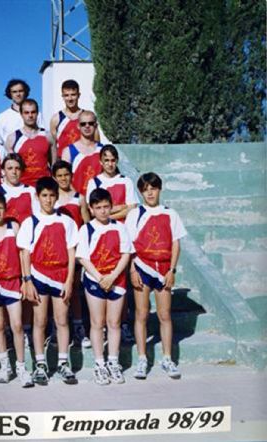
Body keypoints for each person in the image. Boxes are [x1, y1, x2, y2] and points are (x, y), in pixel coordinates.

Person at [18, 177, 79, 386]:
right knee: (40, 321)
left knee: (62, 320)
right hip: (38, 277)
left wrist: (70, 280)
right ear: (37, 197)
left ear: (57, 197)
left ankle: (63, 362)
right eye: (44, 195)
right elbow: (25, 254)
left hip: (61, 277)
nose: (48, 200)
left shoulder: (67, 222)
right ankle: (40, 364)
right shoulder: (30, 222)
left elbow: (71, 253)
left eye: (52, 195)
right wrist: (27, 280)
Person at [126, 172, 187, 380]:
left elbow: (176, 243)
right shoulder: (135, 214)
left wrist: (172, 270)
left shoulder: (171, 213)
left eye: (153, 188)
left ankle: (167, 358)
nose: (149, 193)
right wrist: (133, 270)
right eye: (145, 189)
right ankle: (142, 358)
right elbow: (129, 244)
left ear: (159, 189)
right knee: (141, 314)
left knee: (164, 315)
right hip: (142, 267)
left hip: (163, 270)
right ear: (141, 192)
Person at [76, 188, 133, 386]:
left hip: (116, 280)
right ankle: (99, 364)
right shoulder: (86, 229)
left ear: (111, 207)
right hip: (95, 280)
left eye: (106, 207)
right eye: (98, 207)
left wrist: (113, 276)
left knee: (114, 322)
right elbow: (83, 258)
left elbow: (126, 253)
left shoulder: (119, 227)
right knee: (97, 323)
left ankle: (113, 362)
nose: (102, 211)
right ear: (91, 209)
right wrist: (101, 278)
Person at [0, 192, 34, 388]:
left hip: (13, 281)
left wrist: (25, 279)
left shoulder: (13, 227)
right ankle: (4, 366)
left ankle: (21, 367)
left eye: (0, 208)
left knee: (16, 325)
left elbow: (23, 253)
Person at [52, 160, 91, 349]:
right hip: (55, 252)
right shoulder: (51, 199)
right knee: (55, 289)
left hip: (74, 250)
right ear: (54, 177)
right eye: (59, 175)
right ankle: (56, 327)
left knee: (74, 289)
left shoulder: (79, 197)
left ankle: (78, 326)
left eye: (66, 175)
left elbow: (86, 224)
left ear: (71, 175)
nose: (63, 178)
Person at [5, 99, 55, 187]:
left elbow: (54, 165)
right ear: (21, 114)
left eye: (33, 112)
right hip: (22, 187)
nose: (30, 115)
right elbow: (9, 168)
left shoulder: (48, 136)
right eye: (26, 113)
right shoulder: (12, 138)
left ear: (37, 113)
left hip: (44, 187)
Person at [85, 145, 138, 222]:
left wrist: (109, 218)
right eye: (106, 160)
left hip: (123, 227)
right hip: (102, 228)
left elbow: (132, 208)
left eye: (113, 160)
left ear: (117, 161)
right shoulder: (94, 182)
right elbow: (92, 211)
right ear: (101, 161)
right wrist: (121, 207)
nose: (110, 164)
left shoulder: (126, 181)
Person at [60, 110, 103, 196]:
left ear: (96, 125)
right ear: (78, 126)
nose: (87, 126)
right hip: (78, 201)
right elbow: (64, 179)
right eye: (83, 124)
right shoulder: (68, 152)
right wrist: (79, 198)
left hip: (99, 202)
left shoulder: (102, 150)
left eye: (90, 123)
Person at [49, 80, 96, 158]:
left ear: (79, 95)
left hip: (83, 162)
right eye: (66, 95)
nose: (70, 99)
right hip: (64, 164)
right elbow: (53, 147)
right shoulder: (56, 119)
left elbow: (96, 143)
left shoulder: (87, 118)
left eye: (73, 95)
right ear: (63, 97)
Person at [0, 154, 39, 224]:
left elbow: (37, 216)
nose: (14, 172)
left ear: (22, 171)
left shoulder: (31, 191)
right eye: (10, 168)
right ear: (3, 171)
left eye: (17, 168)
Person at [0, 79, 44, 146]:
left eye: (21, 91)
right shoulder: (2, 117)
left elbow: (43, 135)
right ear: (10, 94)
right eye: (14, 92)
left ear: (25, 92)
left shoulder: (36, 114)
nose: (18, 94)